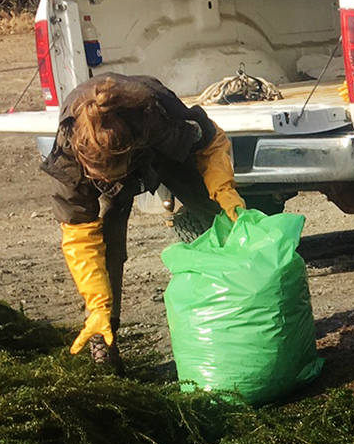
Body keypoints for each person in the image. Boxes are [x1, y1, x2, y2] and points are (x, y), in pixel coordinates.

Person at [44, 73, 246, 369]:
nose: (103, 180)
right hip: (113, 158)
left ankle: (244, 300)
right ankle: (105, 338)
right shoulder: (70, 153)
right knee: (106, 237)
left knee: (219, 213)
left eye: (110, 174)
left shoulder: (157, 116)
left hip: (159, 152)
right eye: (98, 177)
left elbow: (210, 141)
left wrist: (223, 190)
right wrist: (98, 302)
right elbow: (79, 237)